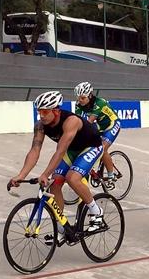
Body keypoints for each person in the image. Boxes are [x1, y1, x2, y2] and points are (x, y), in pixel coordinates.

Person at [9, 90, 105, 241]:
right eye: (39, 111)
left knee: (72, 178)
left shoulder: (71, 121)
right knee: (56, 183)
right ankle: (62, 228)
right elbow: (35, 150)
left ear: (56, 110)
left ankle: (96, 212)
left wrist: (44, 174)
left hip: (91, 146)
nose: (41, 115)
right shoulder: (40, 126)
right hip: (72, 150)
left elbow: (60, 151)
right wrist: (21, 175)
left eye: (45, 111)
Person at [74, 81, 121, 184]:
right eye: (78, 97)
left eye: (83, 98)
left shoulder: (100, 103)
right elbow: (77, 121)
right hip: (99, 125)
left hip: (112, 124)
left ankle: (111, 175)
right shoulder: (78, 104)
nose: (80, 100)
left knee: (102, 149)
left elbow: (89, 122)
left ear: (90, 96)